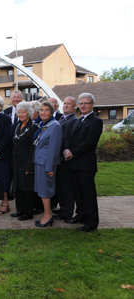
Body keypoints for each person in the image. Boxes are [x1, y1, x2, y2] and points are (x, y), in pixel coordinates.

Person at [63, 93, 103, 232]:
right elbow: (69, 138)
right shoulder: (77, 121)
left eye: (86, 103)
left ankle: (91, 222)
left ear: (92, 104)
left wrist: (73, 152)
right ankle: (80, 215)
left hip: (85, 165)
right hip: (73, 163)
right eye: (81, 103)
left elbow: (89, 143)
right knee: (77, 193)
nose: (83, 106)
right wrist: (66, 149)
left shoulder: (96, 121)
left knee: (88, 194)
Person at [33, 101, 63, 227]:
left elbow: (54, 149)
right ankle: (46, 214)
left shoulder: (55, 126)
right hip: (39, 162)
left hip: (46, 165)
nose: (43, 112)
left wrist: (50, 167)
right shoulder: (42, 125)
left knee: (45, 191)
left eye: (46, 110)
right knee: (41, 190)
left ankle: (48, 216)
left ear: (51, 112)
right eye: (41, 110)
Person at [10, 102, 38, 220]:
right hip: (17, 163)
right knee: (18, 188)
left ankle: (28, 212)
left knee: (27, 189)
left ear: (29, 113)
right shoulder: (17, 126)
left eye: (24, 112)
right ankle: (20, 210)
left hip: (27, 163)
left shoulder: (34, 128)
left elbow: (33, 149)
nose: (21, 114)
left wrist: (29, 167)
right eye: (19, 112)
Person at [53, 96, 78, 222]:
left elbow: (65, 139)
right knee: (60, 187)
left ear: (74, 107)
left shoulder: (73, 120)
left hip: (64, 160)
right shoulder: (62, 118)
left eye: (69, 104)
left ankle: (67, 212)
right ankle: (62, 209)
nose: (66, 106)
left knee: (66, 187)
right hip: (58, 159)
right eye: (65, 103)